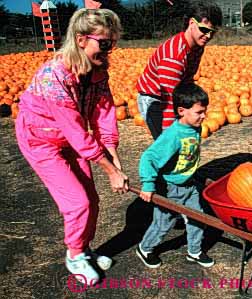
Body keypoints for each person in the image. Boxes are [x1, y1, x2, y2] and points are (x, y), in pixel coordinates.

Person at [15, 8, 129, 284]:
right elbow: (77, 130)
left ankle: (84, 248)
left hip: (69, 139)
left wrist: (113, 157)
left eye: (111, 43)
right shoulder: (53, 76)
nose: (108, 50)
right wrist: (110, 171)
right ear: (80, 40)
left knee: (91, 197)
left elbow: (103, 116)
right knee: (77, 202)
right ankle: (74, 255)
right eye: (103, 43)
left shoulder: (98, 72)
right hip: (39, 139)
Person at [136, 82, 214, 268]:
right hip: (170, 188)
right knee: (164, 223)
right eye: (199, 112)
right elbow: (149, 158)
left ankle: (194, 251)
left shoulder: (195, 128)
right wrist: (148, 185)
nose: (204, 116)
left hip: (189, 184)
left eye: (204, 111)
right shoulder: (172, 135)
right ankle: (145, 248)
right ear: (181, 111)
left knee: (197, 217)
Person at [136, 1, 222, 139]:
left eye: (213, 32)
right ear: (192, 23)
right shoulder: (173, 57)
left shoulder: (197, 46)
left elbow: (186, 81)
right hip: (156, 100)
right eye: (205, 30)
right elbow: (169, 101)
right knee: (169, 146)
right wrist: (170, 138)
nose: (208, 36)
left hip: (175, 94)